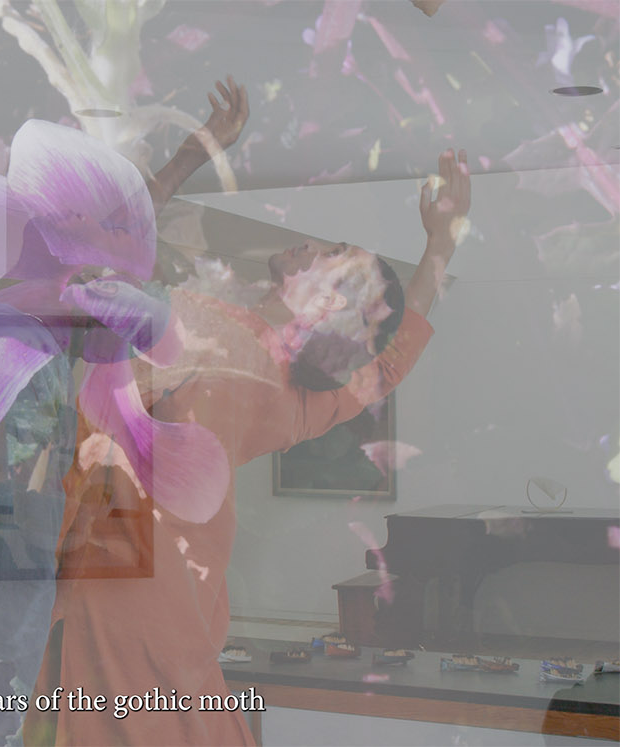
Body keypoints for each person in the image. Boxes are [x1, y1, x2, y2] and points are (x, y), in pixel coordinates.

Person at [27, 77, 471, 744]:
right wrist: (440, 242)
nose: (319, 247)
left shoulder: (203, 341)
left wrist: (192, 153)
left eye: (332, 261)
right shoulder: (296, 396)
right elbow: (387, 362)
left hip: (122, 604)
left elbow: (104, 252)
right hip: (173, 615)